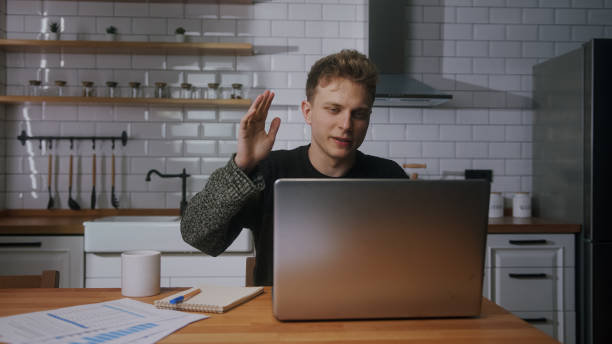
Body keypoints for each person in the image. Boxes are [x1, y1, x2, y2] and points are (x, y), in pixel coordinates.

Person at [181, 50, 408, 286]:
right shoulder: (268, 171)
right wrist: (242, 165)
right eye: (334, 109)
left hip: (367, 313)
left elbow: (413, 259)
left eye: (359, 114)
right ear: (308, 112)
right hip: (276, 317)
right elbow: (197, 235)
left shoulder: (389, 177)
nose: (346, 125)